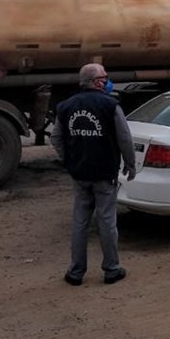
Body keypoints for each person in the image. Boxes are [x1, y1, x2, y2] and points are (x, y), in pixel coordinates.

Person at [50, 63, 137, 286]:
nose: (108, 81)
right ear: (97, 82)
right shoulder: (110, 105)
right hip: (104, 173)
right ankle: (111, 269)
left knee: (80, 222)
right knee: (107, 222)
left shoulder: (65, 106)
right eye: (105, 77)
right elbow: (124, 138)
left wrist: (68, 160)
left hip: (79, 174)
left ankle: (76, 272)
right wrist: (130, 163)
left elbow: (56, 138)